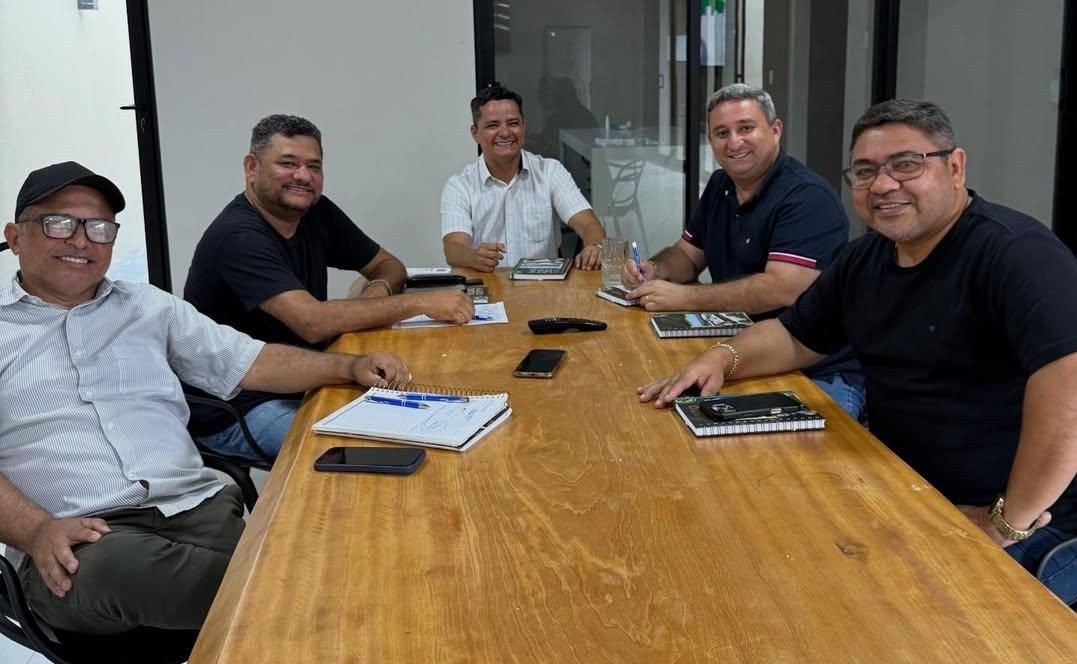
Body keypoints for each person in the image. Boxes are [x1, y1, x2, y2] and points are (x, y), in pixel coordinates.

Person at [639, 99, 1077, 605]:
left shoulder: (1016, 254)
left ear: (955, 167)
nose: (884, 185)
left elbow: (1071, 390)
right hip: (909, 493)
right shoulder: (865, 259)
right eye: (866, 171)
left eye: (907, 165)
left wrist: (1007, 522)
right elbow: (794, 335)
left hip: (1036, 523)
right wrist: (720, 358)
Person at [0, 161, 410, 635]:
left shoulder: (148, 307)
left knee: (326, 535)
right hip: (81, 538)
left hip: (196, 509)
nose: (80, 240)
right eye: (58, 223)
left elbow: (250, 361)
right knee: (297, 585)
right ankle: (340, 607)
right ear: (15, 237)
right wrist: (33, 530)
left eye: (98, 228)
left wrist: (348, 367)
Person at [184, 114, 471, 463]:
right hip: (241, 406)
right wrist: (421, 303)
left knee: (433, 409)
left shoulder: (315, 212)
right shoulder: (238, 236)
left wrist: (375, 295)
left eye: (313, 166)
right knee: (374, 450)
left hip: (311, 374)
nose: (303, 176)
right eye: (288, 164)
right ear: (251, 167)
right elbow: (313, 322)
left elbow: (389, 265)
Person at [625, 84, 863, 418]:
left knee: (786, 466)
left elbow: (783, 288)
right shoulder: (721, 185)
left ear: (776, 130)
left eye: (746, 128)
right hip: (736, 349)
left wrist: (686, 299)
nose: (734, 142)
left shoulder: (807, 197)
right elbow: (687, 256)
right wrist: (655, 269)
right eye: (722, 133)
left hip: (816, 370)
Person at [441, 82, 607, 272]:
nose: (505, 133)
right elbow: (453, 249)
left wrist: (596, 247)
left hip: (543, 286)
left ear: (524, 126)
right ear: (475, 133)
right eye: (493, 125)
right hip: (487, 285)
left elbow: (588, 224)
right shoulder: (459, 185)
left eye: (513, 123)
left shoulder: (550, 172)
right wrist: (472, 256)